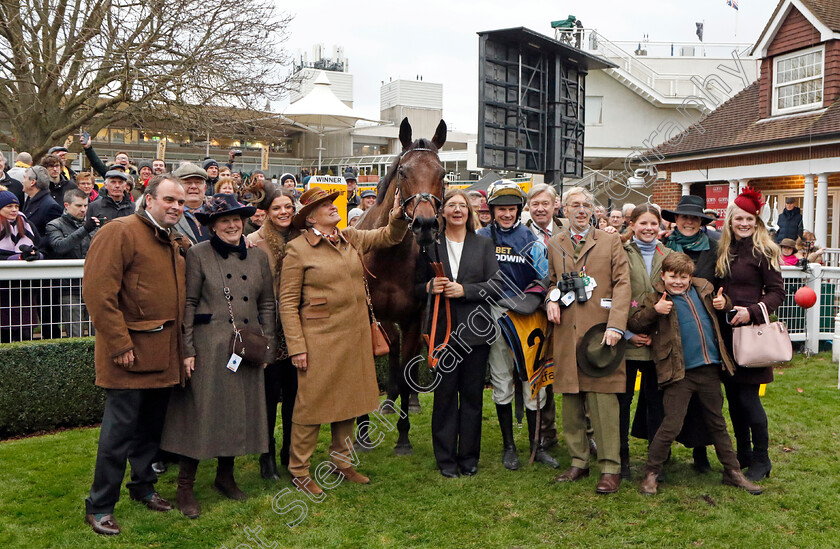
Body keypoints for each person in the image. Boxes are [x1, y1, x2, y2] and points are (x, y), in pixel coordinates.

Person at [278, 186, 408, 495]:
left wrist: (398, 217)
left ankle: (342, 461)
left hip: (354, 336)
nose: (333, 207)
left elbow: (389, 236)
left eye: (332, 202)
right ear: (310, 218)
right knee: (311, 408)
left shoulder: (351, 237)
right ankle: (299, 470)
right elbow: (287, 303)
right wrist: (296, 346)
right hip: (318, 340)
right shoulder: (297, 250)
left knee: (348, 402)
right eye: (325, 205)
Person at [82, 175, 189, 536]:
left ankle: (143, 486)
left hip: (163, 355)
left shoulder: (172, 239)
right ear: (149, 199)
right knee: (118, 435)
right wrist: (119, 344)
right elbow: (98, 294)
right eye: (169, 199)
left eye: (182, 202)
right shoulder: (120, 231)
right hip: (129, 355)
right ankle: (99, 506)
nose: (176, 206)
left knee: (149, 431)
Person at [160, 193, 276, 518]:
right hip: (210, 347)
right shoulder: (197, 254)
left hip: (246, 346)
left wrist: (267, 344)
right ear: (212, 225)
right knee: (201, 414)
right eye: (224, 220)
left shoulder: (258, 258)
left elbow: (267, 303)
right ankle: (185, 485)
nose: (232, 224)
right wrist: (188, 350)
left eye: (236, 218)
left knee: (237, 412)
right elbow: (189, 303)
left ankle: (226, 477)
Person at [629, 253, 763, 496]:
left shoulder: (704, 292)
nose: (678, 282)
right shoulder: (656, 299)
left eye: (683, 277)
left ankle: (732, 472)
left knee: (718, 423)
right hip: (680, 373)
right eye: (673, 277)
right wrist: (656, 311)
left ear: (690, 277)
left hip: (710, 369)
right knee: (670, 425)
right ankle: (651, 473)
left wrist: (727, 304)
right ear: (663, 276)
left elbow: (726, 304)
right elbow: (636, 323)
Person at [546, 186, 630, 494]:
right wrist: (550, 301)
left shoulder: (609, 242)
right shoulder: (555, 243)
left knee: (603, 400)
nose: (581, 210)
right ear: (564, 211)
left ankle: (610, 467)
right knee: (570, 399)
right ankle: (578, 461)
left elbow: (623, 284)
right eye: (575, 205)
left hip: (600, 331)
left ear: (594, 211)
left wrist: (617, 325)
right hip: (567, 331)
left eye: (586, 205)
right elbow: (553, 283)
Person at [416, 189, 501, 478]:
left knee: (473, 398)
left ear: (469, 211)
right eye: (451, 205)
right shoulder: (430, 246)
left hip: (475, 332)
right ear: (441, 212)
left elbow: (496, 286)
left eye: (462, 205)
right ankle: (446, 459)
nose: (456, 210)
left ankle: (468, 457)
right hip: (442, 335)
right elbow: (414, 287)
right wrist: (429, 287)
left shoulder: (484, 245)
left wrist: (466, 291)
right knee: (444, 397)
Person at [476, 180, 556, 470]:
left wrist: (531, 299)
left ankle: (538, 445)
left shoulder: (532, 240)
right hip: (495, 316)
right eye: (501, 209)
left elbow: (546, 277)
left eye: (511, 209)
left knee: (533, 383)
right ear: (492, 210)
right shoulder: (480, 237)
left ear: (518, 210)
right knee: (501, 378)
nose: (506, 214)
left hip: (527, 316)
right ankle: (509, 446)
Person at [716, 187, 784, 482]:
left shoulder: (764, 251)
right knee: (733, 399)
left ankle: (761, 458)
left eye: (749, 219)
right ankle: (742, 454)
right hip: (726, 336)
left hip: (752, 335)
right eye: (739, 219)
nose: (744, 224)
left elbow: (778, 292)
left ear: (757, 222)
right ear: (730, 221)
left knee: (749, 400)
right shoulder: (724, 250)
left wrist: (752, 310)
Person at [661, 194, 720, 471]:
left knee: (702, 399)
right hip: (667, 328)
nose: (688, 222)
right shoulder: (664, 246)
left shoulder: (713, 248)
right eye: (684, 217)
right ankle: (663, 454)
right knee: (667, 396)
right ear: (676, 219)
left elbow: (720, 284)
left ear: (701, 222)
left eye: (694, 218)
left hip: (700, 327)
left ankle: (700, 453)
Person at [245, 187, 300, 479]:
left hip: (295, 329)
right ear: (266, 212)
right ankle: (266, 455)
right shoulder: (253, 242)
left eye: (288, 207)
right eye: (277, 208)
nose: (284, 212)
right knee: (267, 397)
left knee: (295, 396)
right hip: (266, 330)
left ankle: (290, 451)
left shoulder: (301, 238)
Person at [617, 204, 671, 480]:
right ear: (632, 224)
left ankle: (656, 461)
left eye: (654, 224)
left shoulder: (669, 255)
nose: (649, 229)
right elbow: (611, 293)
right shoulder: (620, 252)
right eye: (643, 223)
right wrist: (627, 332)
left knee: (655, 402)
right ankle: (621, 458)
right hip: (626, 341)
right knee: (623, 401)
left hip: (656, 342)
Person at [172, 163, 211, 244]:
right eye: (187, 182)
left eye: (198, 182)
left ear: (205, 188)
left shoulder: (217, 210)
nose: (193, 186)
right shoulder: (169, 214)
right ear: (177, 187)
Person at [21, 165, 62, 237]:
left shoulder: (51, 207)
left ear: (32, 182)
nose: (22, 181)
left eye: (25, 178)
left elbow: (52, 237)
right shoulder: (30, 199)